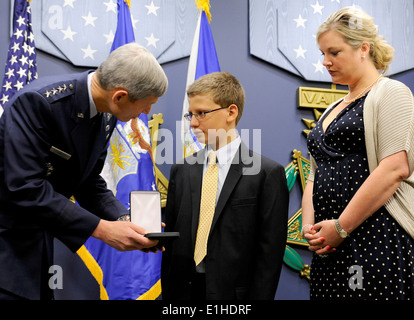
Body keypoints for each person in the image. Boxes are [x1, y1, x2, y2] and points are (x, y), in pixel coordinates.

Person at [0, 42, 168, 300]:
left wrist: (123, 221)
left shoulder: (107, 113)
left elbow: (87, 181)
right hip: (8, 247)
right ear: (120, 96)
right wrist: (102, 230)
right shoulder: (39, 103)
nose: (147, 112)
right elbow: (26, 188)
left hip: (39, 245)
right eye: (146, 105)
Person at [301, 7, 414, 300]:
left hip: (376, 237)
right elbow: (315, 170)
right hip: (329, 245)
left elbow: (395, 168)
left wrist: (341, 226)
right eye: (322, 53)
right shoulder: (331, 108)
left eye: (334, 52)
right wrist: (309, 226)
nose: (326, 62)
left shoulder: (392, 92)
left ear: (363, 48)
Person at [161, 71, 289, 300]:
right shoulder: (181, 170)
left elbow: (269, 256)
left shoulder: (266, 174)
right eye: (190, 114)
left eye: (201, 113)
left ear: (231, 112)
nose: (193, 123)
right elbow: (171, 246)